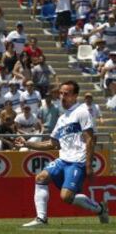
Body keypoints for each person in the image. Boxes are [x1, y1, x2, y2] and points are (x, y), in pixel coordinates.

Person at [16, 80, 109, 227]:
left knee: (66, 197)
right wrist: (27, 143)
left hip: (78, 161)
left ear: (75, 96)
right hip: (63, 160)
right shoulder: (62, 119)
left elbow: (90, 139)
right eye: (60, 93)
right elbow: (52, 143)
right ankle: (41, 219)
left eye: (66, 94)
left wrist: (89, 165)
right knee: (40, 177)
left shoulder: (82, 112)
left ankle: (100, 209)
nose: (62, 96)